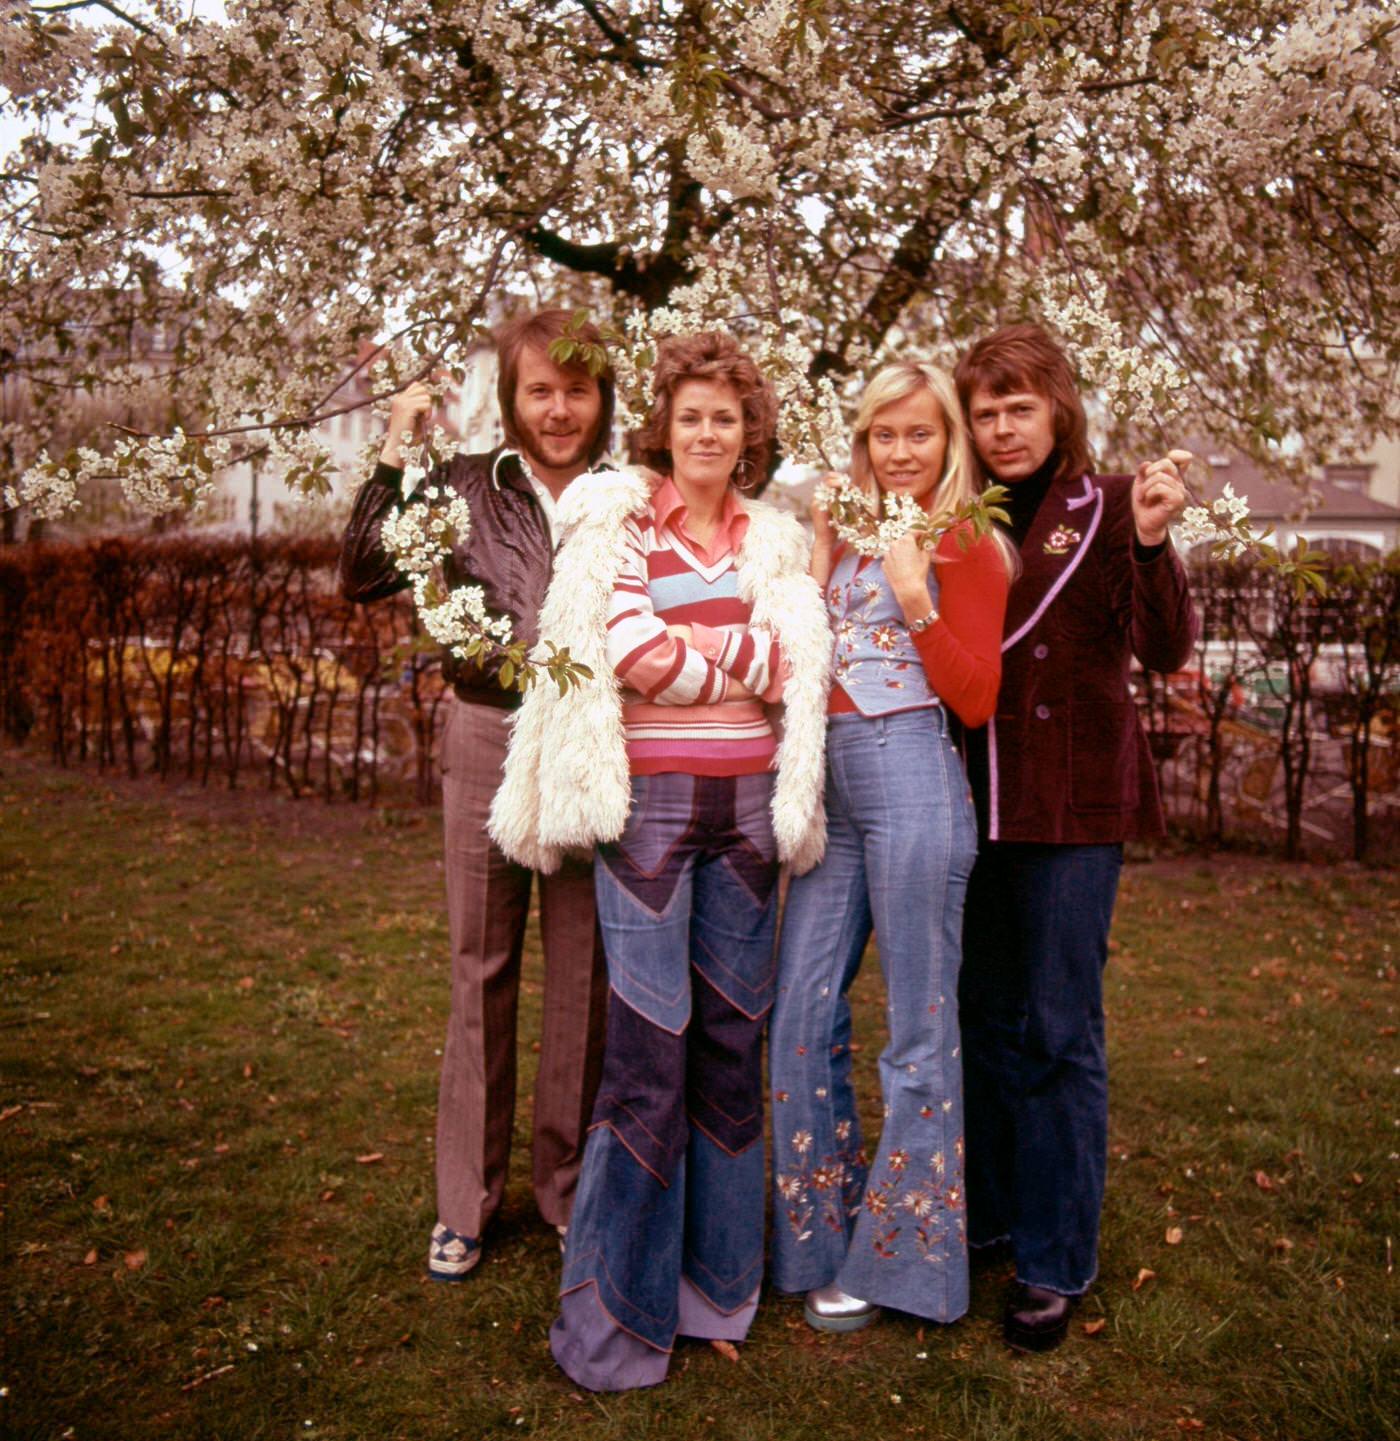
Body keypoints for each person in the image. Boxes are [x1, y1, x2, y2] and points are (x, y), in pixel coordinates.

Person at [489, 331, 832, 1391]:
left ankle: (714, 1290)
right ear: (664, 425)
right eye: (689, 415)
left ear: (747, 433)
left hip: (745, 816)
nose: (706, 433)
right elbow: (629, 649)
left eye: (724, 418)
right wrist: (736, 660)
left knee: (730, 1043)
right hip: (649, 813)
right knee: (647, 1057)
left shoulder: (773, 540)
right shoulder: (616, 519)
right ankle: (615, 1320)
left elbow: (795, 667)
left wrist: (716, 664)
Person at [338, 309, 614, 1280]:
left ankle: (566, 1187)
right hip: (485, 727)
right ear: (510, 397)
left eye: (576, 390)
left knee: (584, 974)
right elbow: (363, 569)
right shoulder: (461, 484)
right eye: (539, 390)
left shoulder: (625, 495)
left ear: (601, 396)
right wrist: (395, 446)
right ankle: (465, 1200)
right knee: (479, 964)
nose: (558, 409)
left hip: (583, 740)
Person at [952, 323, 1197, 1351]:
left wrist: (1148, 540)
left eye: (1020, 407)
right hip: (974, 800)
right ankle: (993, 1213)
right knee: (983, 1019)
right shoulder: (951, 517)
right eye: (986, 411)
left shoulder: (1106, 506)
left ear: (1058, 408)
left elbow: (1165, 643)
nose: (1003, 428)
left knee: (1058, 1028)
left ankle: (1054, 1258)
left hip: (1072, 808)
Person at [768, 361, 1013, 1333]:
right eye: (882, 435)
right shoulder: (847, 533)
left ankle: (904, 1264)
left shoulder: (968, 543)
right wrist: (826, 554)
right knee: (797, 1012)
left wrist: (916, 592)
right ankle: (815, 1232)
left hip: (914, 777)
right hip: (832, 788)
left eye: (919, 434)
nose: (900, 453)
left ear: (948, 441)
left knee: (916, 1032)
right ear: (861, 442)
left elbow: (975, 696)